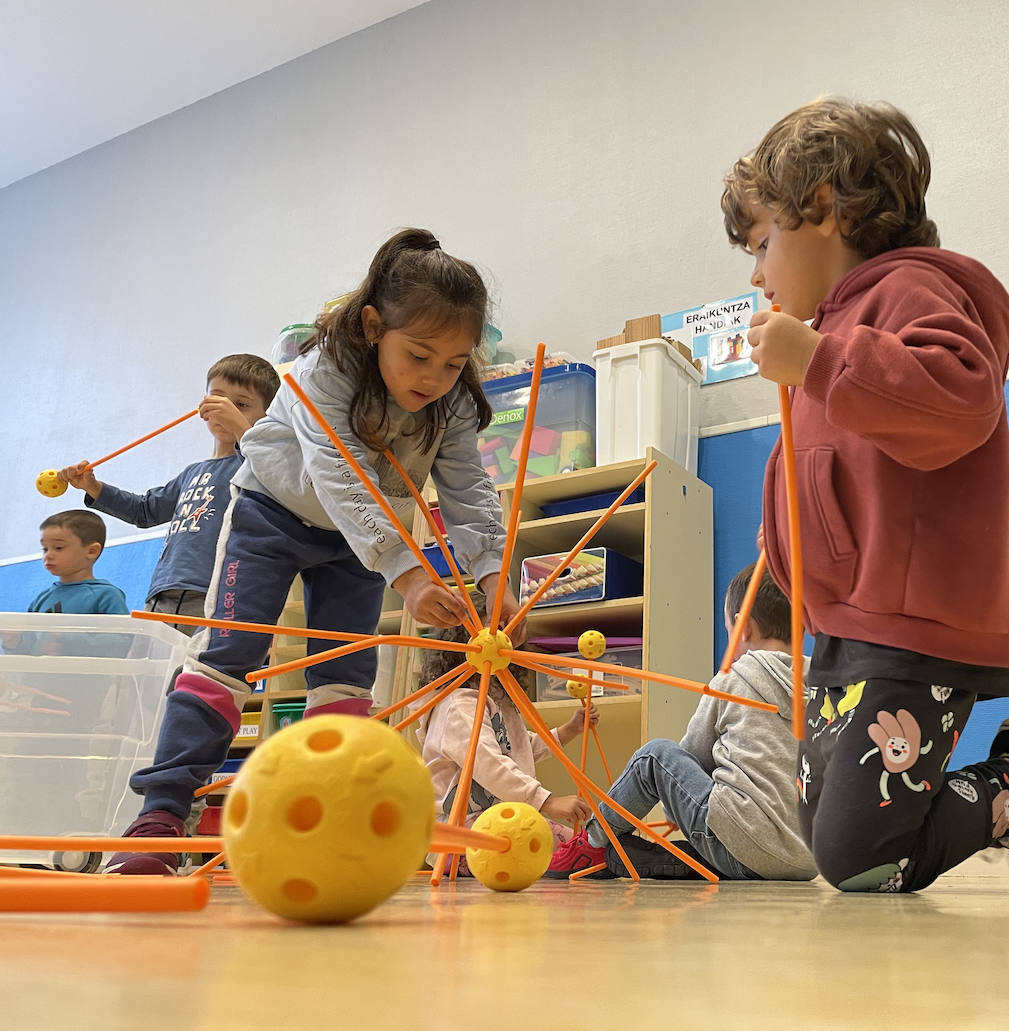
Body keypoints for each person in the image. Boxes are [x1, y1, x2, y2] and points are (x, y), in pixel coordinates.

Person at [722, 97, 1009, 894]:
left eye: (760, 244)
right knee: (827, 827)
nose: (755, 272)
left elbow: (958, 398)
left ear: (820, 208)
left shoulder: (911, 290)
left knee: (862, 855)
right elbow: (833, 459)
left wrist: (816, 359)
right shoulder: (837, 325)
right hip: (851, 619)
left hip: (913, 617)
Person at [108, 228, 524, 875]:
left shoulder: (452, 403)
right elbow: (342, 477)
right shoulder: (322, 370)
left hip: (362, 540)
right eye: (418, 355)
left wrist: (497, 578)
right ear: (372, 325)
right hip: (271, 511)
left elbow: (471, 491)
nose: (435, 377)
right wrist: (411, 576)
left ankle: (336, 819)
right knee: (228, 652)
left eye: (452, 362)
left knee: (346, 678)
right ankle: (161, 811)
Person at [547, 564, 817, 881]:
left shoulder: (736, 676)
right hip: (805, 860)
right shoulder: (822, 687)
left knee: (654, 756)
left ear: (743, 629)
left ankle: (591, 843)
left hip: (744, 843)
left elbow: (691, 757)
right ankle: (639, 856)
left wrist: (678, 807)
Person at [58, 354, 281, 634]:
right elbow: (144, 510)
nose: (226, 410)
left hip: (218, 595)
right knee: (151, 674)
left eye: (241, 405)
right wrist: (92, 486)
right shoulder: (192, 472)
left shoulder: (256, 464)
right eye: (219, 399)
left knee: (204, 674)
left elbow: (270, 472)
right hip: (163, 594)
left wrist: (241, 429)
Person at [417, 622, 598, 873]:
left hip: (497, 823)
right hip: (461, 836)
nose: (505, 637)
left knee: (585, 848)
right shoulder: (459, 705)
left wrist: (568, 730)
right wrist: (545, 801)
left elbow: (518, 749)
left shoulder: (495, 697)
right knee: (578, 853)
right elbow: (487, 762)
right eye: (497, 629)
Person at [2, 510, 129, 656]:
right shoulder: (41, 599)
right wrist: (13, 641)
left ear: (92, 551)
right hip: (41, 678)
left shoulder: (106, 595)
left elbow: (122, 642)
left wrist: (68, 641)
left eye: (58, 548)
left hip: (86, 678)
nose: (48, 555)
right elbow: (28, 649)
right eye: (45, 549)